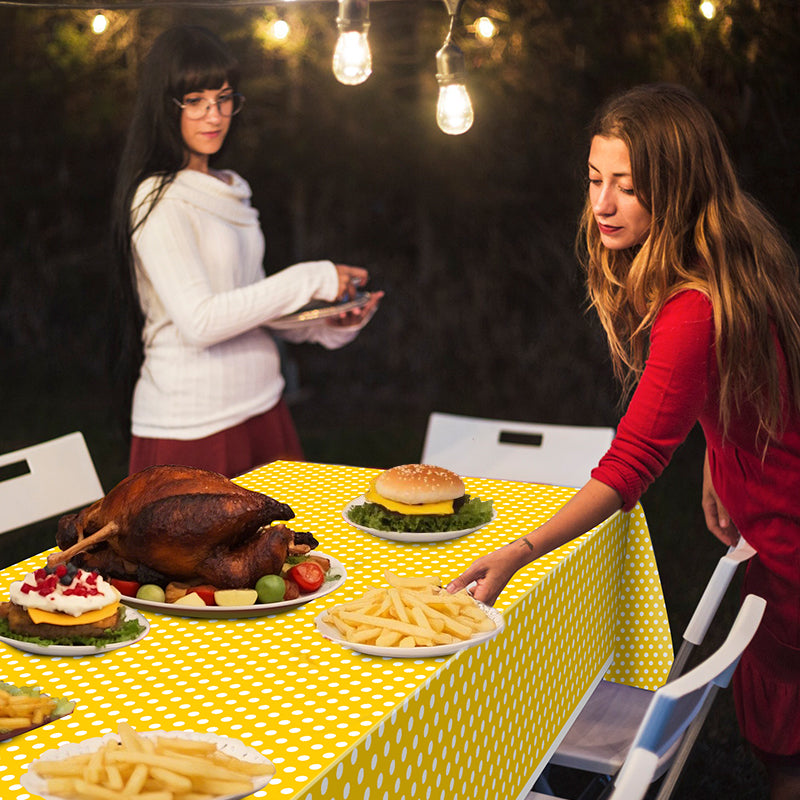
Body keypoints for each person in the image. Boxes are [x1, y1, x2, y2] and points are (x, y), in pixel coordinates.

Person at [447, 84, 800, 798]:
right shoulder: (732, 253)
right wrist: (714, 459)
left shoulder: (694, 306)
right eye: (595, 180)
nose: (602, 206)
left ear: (677, 191)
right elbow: (748, 385)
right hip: (768, 503)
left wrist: (521, 550)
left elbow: (634, 460)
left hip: (789, 528)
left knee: (787, 740)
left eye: (628, 188)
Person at [109, 25, 382, 479]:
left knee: (288, 552)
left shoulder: (232, 188)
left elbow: (249, 305)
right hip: (194, 426)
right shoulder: (156, 198)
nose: (214, 116)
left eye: (224, 98)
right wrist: (310, 279)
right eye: (195, 100)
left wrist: (324, 325)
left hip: (262, 405)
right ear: (164, 104)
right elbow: (200, 322)